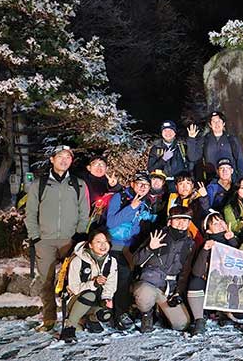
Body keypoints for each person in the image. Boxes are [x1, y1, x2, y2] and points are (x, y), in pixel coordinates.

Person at [24, 145, 90, 332]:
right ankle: (49, 319)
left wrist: (80, 236)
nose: (64, 160)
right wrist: (35, 237)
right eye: (60, 156)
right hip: (45, 241)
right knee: (47, 282)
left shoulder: (78, 184)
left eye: (67, 157)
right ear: (52, 159)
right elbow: (30, 213)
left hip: (70, 240)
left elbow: (84, 213)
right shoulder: (40, 183)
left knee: (72, 282)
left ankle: (72, 320)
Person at [133, 206, 196, 333]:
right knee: (144, 294)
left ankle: (161, 311)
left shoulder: (190, 244)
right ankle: (146, 313)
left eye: (185, 220)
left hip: (168, 288)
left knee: (182, 324)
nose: (181, 223)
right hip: (150, 282)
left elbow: (185, 272)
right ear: (169, 221)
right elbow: (136, 260)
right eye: (177, 219)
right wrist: (150, 248)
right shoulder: (158, 236)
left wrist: (178, 292)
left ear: (189, 223)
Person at [106, 171, 155, 330]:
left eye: (146, 185)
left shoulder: (145, 202)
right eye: (139, 183)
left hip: (134, 246)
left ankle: (127, 309)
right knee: (122, 277)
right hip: (116, 245)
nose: (142, 187)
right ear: (132, 184)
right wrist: (131, 208)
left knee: (132, 278)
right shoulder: (119, 198)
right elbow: (111, 222)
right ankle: (119, 313)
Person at [60, 228, 118, 342]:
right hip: (76, 300)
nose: (103, 245)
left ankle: (89, 320)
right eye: (98, 242)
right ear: (90, 245)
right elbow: (74, 288)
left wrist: (106, 298)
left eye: (105, 242)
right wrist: (94, 283)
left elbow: (111, 284)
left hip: (95, 300)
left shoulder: (111, 261)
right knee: (89, 295)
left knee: (105, 315)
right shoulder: (78, 260)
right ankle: (69, 327)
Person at [187, 210, 239, 335]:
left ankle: (226, 313)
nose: (220, 224)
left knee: (240, 313)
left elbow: (241, 261)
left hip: (230, 284)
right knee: (195, 283)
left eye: (221, 221)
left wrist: (232, 240)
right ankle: (199, 319)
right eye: (215, 223)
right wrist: (204, 250)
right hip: (211, 283)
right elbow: (197, 272)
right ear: (208, 231)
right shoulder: (205, 244)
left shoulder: (234, 239)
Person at [187, 111, 243, 181]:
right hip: (212, 179)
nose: (216, 124)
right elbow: (193, 157)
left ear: (223, 123)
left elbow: (239, 158)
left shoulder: (231, 139)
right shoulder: (205, 139)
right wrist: (191, 139)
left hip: (230, 178)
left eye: (219, 121)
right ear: (210, 125)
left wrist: (241, 178)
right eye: (213, 121)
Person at [166, 171, 209, 248]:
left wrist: (204, 198)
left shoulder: (197, 199)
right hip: (174, 236)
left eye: (188, 184)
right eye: (181, 184)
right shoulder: (172, 198)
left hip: (195, 238)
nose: (184, 187)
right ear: (176, 187)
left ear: (192, 185)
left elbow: (205, 211)